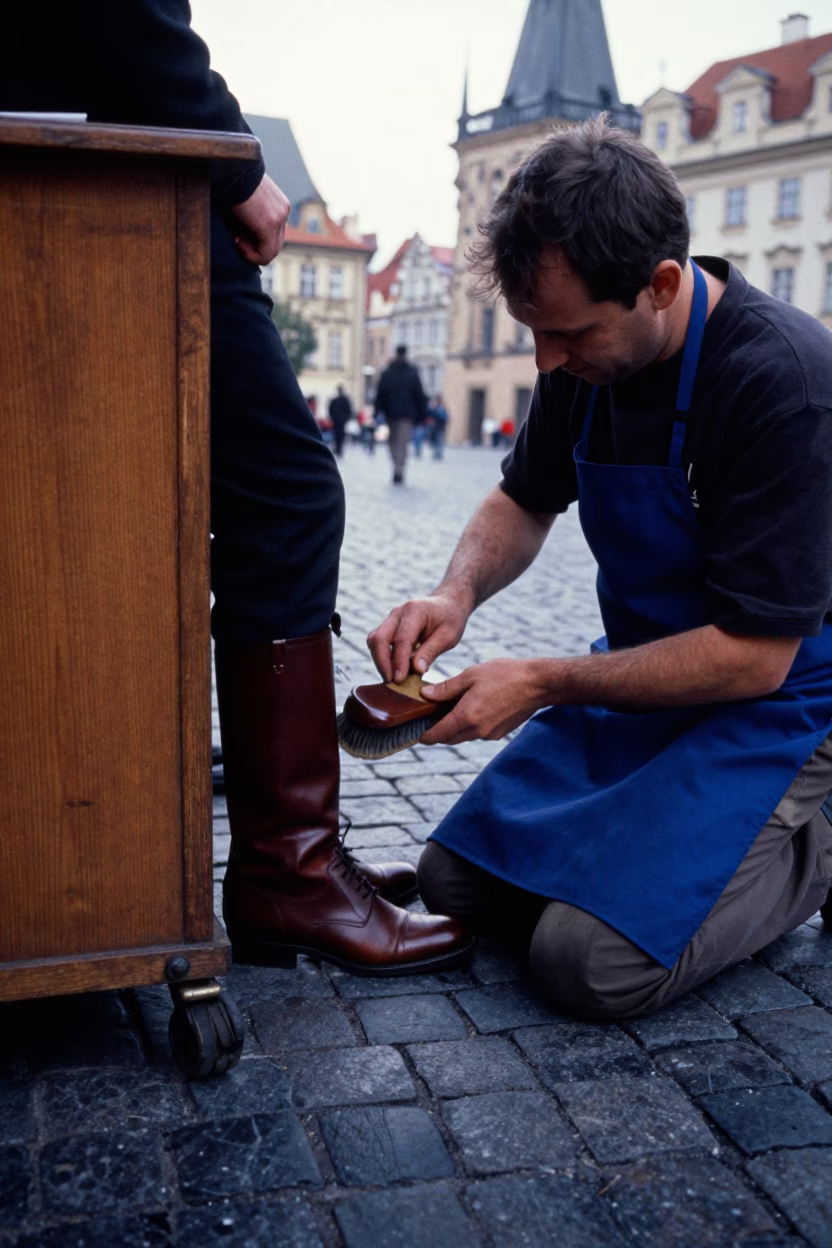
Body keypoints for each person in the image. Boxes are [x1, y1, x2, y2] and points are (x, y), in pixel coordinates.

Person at [3, 0, 470, 977]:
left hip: (73, 161)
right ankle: (285, 871)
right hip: (113, 175)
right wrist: (239, 161)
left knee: (116, 507)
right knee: (288, 498)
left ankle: (277, 859)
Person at [368, 116, 832, 1018]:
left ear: (660, 284)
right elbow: (523, 497)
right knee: (455, 882)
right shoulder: (582, 359)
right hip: (648, 685)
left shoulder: (782, 380)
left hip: (784, 703)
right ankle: (655, 854)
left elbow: (754, 656)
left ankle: (813, 846)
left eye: (569, 334)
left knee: (588, 964)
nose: (547, 360)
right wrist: (454, 591)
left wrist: (543, 681)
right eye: (534, 332)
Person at [373, 345, 427, 484]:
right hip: (407, 415)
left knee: (392, 443)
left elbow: (380, 394)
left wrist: (377, 411)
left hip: (390, 414)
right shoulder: (412, 372)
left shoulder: (388, 372)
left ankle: (397, 467)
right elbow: (419, 395)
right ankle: (399, 468)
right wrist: (422, 415)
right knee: (402, 443)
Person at [328, 385, 353, 458]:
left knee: (337, 435)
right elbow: (349, 410)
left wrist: (333, 417)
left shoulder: (335, 400)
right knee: (341, 435)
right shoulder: (345, 400)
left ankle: (338, 449)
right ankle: (339, 449)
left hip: (337, 420)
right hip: (342, 421)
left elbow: (330, 410)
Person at [428, 396, 449, 461]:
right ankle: (437, 454)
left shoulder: (440, 409)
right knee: (436, 441)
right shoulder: (438, 408)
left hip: (439, 427)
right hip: (437, 427)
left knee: (438, 441)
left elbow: (444, 418)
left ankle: (438, 454)